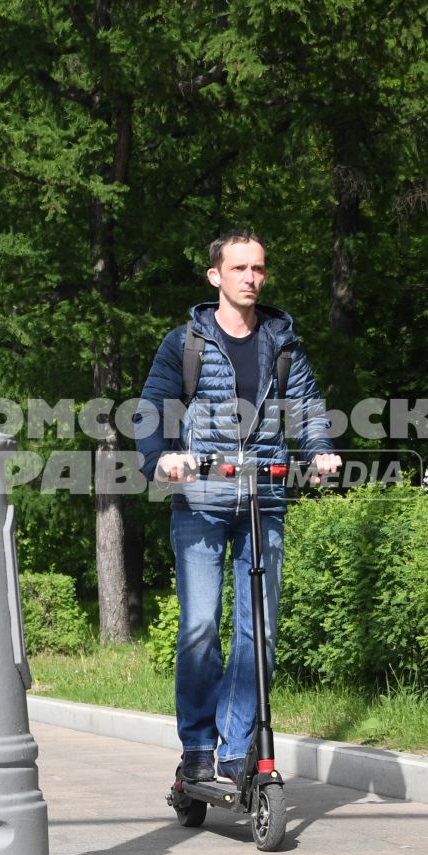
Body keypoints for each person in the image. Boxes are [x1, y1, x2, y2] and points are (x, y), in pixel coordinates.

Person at [136, 231, 340, 788]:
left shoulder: (283, 342)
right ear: (216, 277)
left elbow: (308, 408)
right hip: (201, 501)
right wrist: (160, 459)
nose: (251, 277)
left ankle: (234, 748)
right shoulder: (186, 342)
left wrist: (318, 450)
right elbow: (152, 407)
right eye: (240, 268)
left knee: (260, 631)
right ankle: (199, 747)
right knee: (201, 625)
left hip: (264, 498)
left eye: (259, 269)